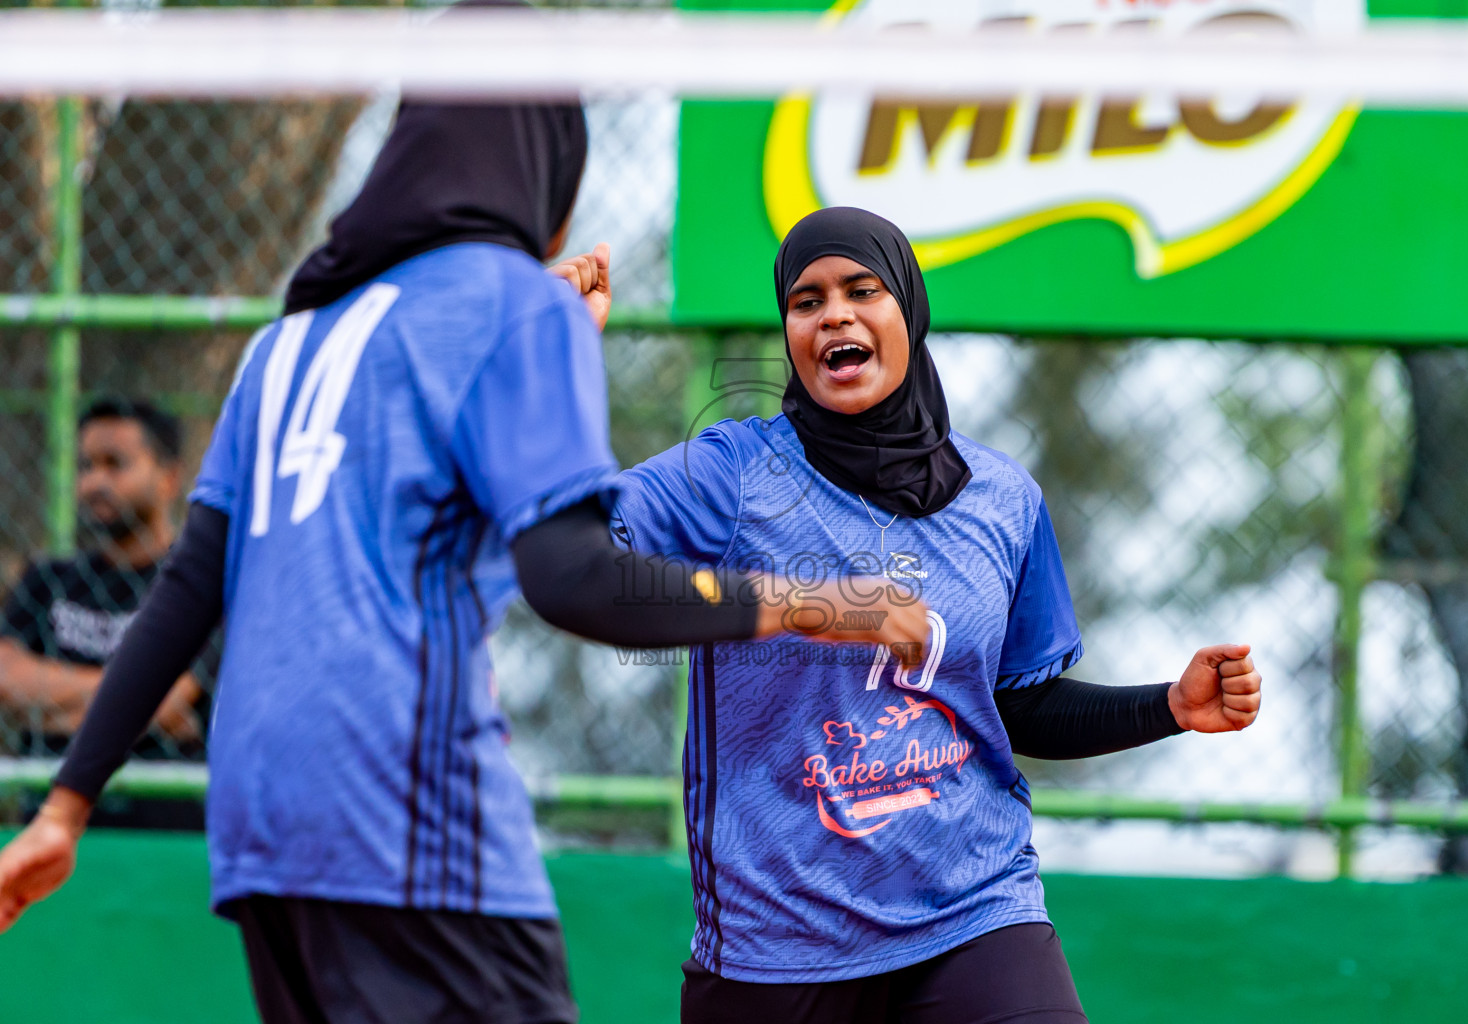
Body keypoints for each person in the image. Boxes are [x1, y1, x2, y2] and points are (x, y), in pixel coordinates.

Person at [0, 90, 925, 1024]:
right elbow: (576, 579)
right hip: (403, 812)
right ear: (541, 171)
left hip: (261, 829)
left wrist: (65, 807)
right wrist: (827, 603)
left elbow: (188, 590)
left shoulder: (286, 344)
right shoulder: (512, 310)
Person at [612, 207, 1264, 1024]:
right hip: (780, 941)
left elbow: (1015, 703)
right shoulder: (734, 474)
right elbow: (578, 542)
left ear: (908, 311)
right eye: (807, 301)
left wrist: (1166, 705)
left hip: (974, 910)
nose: (835, 315)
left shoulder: (1002, 501)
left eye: (862, 289)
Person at [0, 398, 211, 769]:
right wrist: (134, 695)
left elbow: (172, 702)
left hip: (161, 816)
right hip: (49, 809)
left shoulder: (197, 582)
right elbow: (6, 678)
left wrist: (48, 703)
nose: (95, 482)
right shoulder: (49, 578)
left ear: (168, 478)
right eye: (86, 466)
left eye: (116, 464)